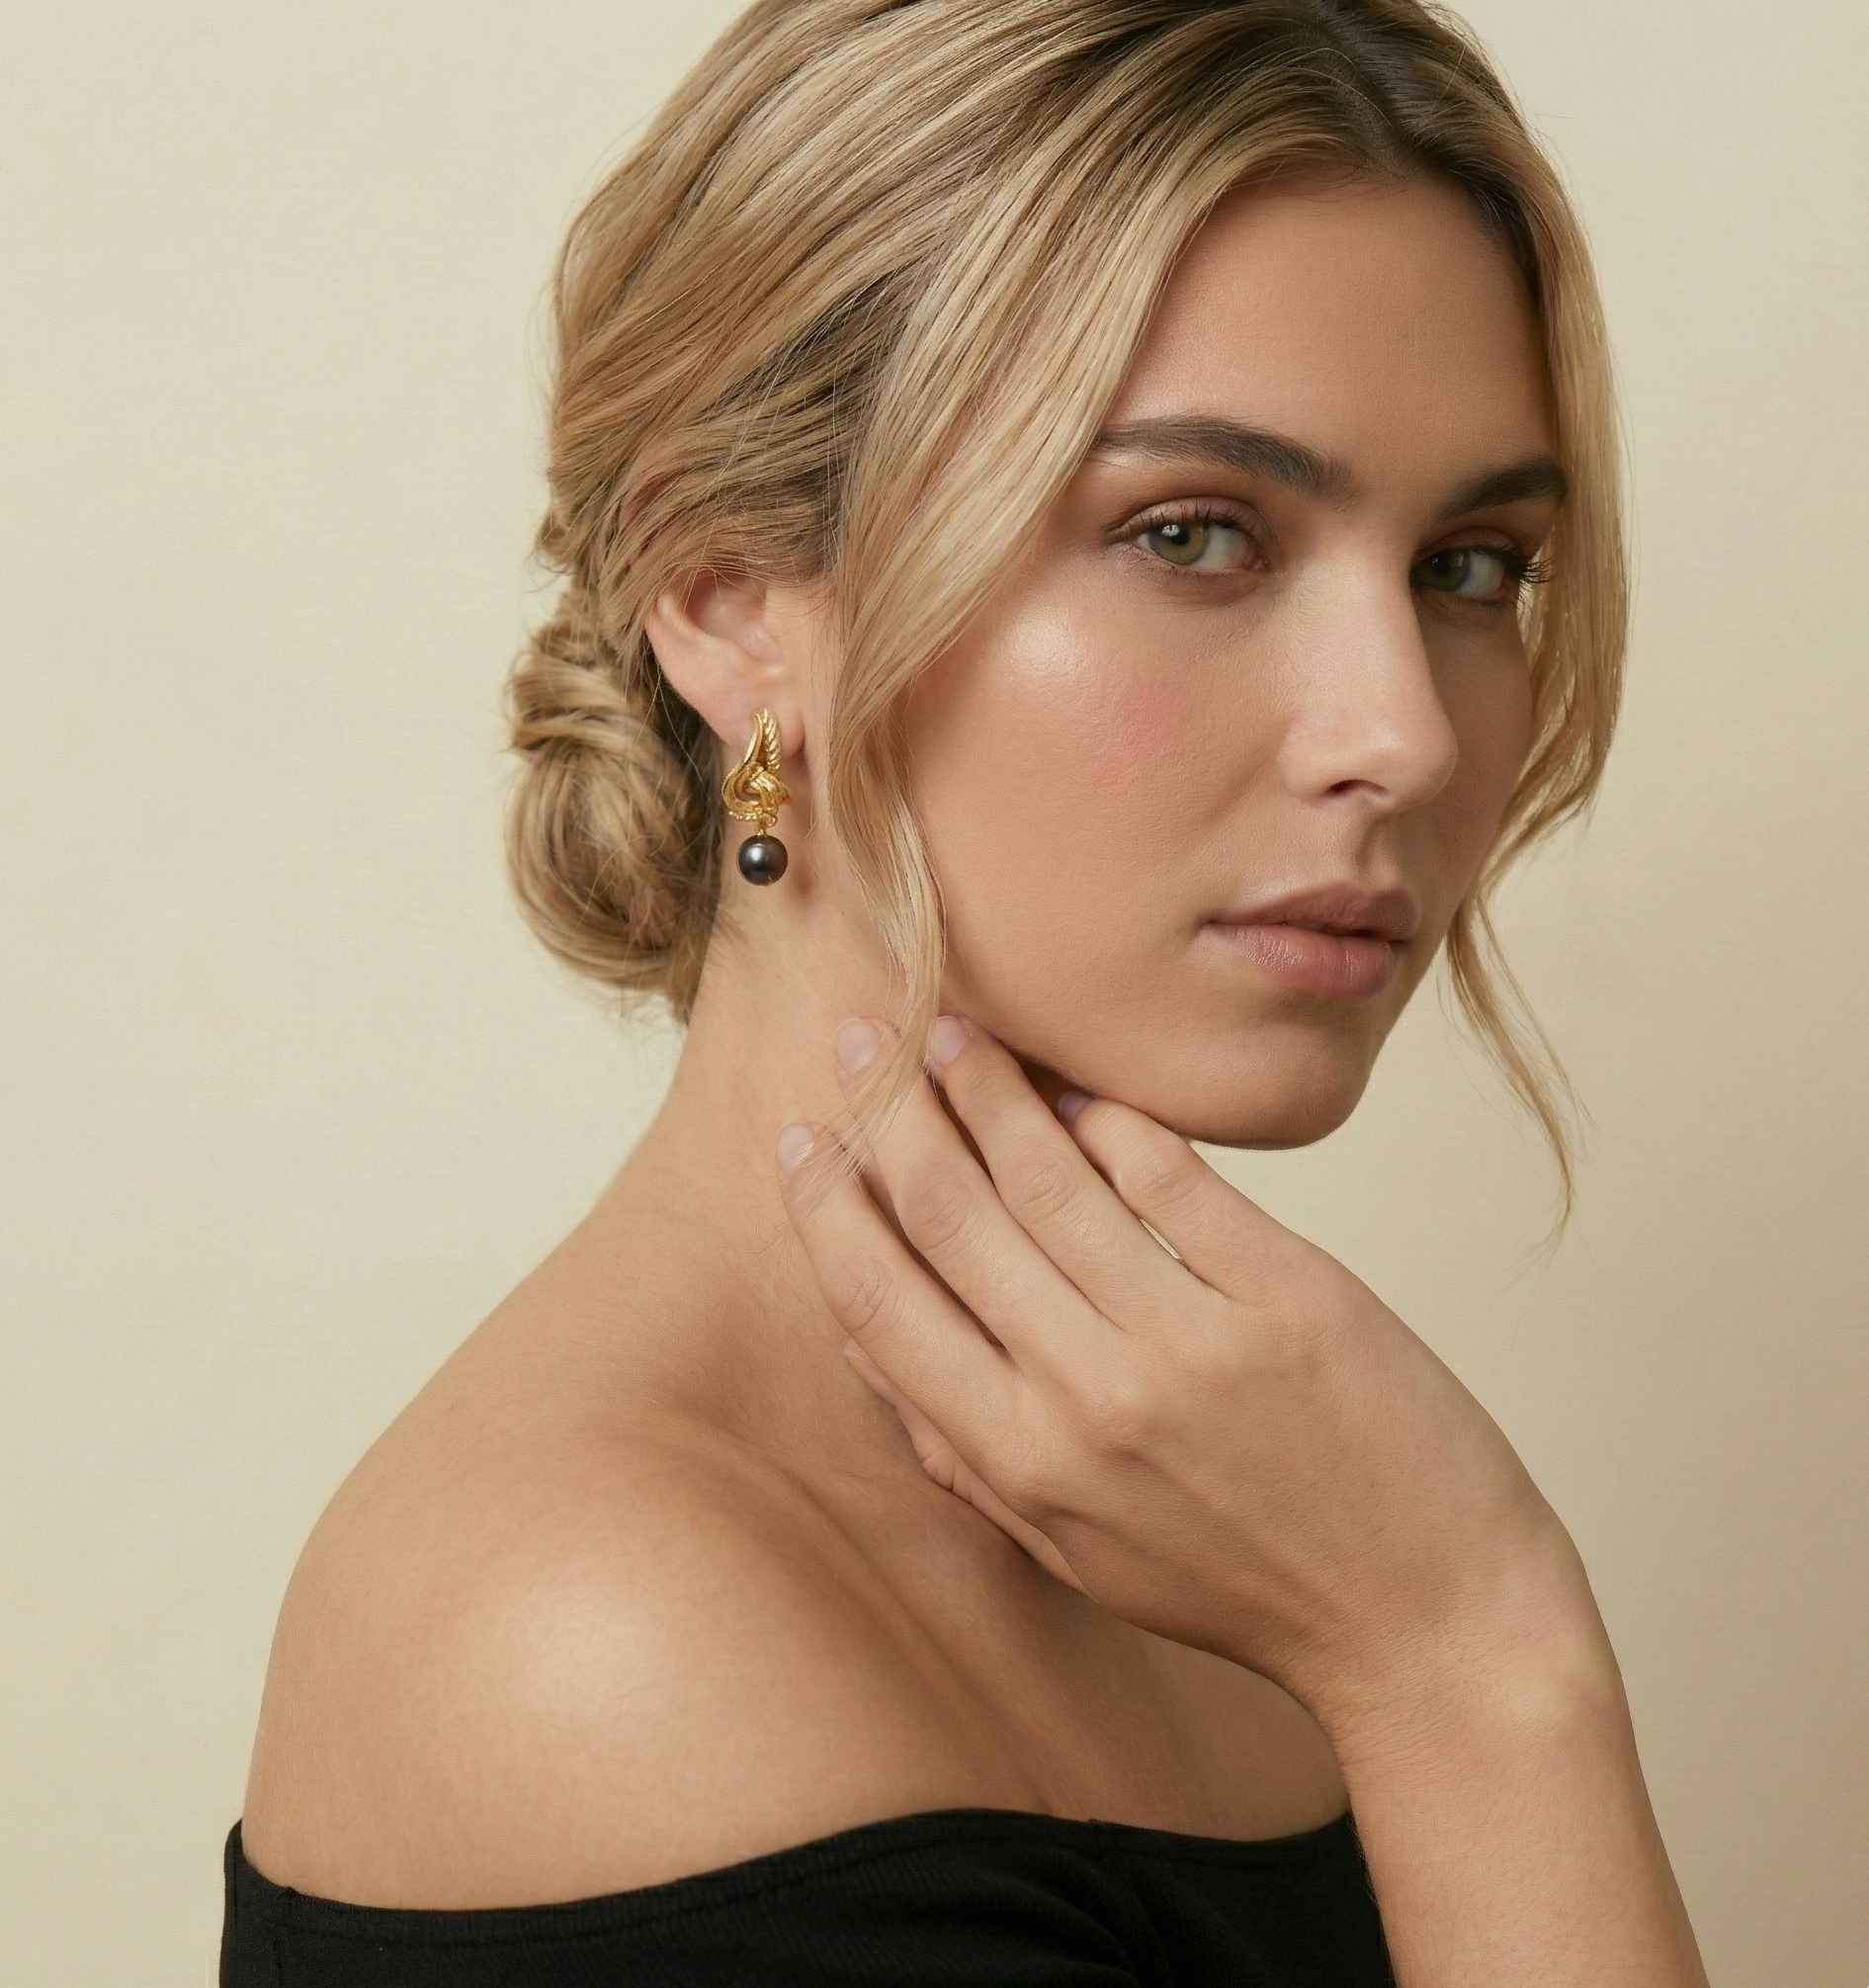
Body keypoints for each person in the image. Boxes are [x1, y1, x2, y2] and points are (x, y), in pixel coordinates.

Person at [223, 2, 1709, 1981]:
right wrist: (1471, 1663)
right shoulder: (594, 1641)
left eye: (1470, 567)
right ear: (733, 590)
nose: (1404, 737)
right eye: (1194, 533)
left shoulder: (1200, 1506)